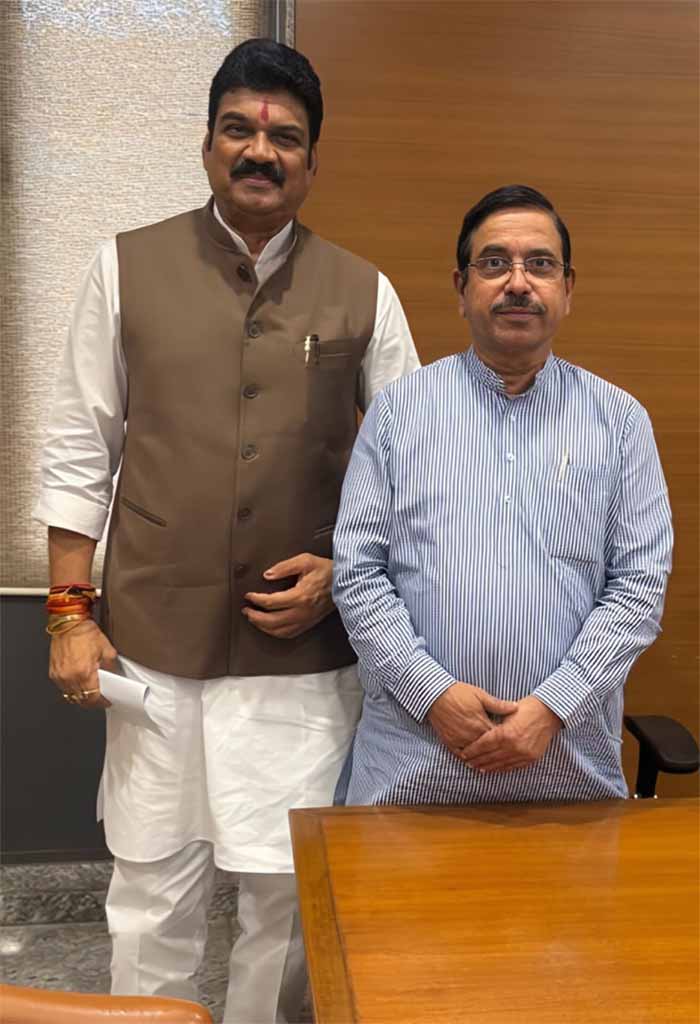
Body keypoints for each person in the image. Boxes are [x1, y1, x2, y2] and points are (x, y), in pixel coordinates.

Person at [35, 38, 419, 1023]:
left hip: (301, 657)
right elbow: (79, 446)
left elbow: (410, 472)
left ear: (311, 162)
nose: (260, 150)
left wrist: (341, 569)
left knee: (284, 896)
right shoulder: (124, 268)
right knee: (151, 887)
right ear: (207, 144)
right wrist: (69, 612)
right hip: (153, 642)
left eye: (284, 138)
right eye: (239, 129)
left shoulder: (364, 291)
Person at [332, 184, 672, 807]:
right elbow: (358, 575)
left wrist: (554, 706)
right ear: (461, 287)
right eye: (494, 263)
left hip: (570, 776)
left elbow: (639, 587)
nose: (518, 282)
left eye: (540, 264)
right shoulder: (398, 412)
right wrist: (431, 693)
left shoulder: (620, 421)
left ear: (568, 287)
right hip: (409, 772)